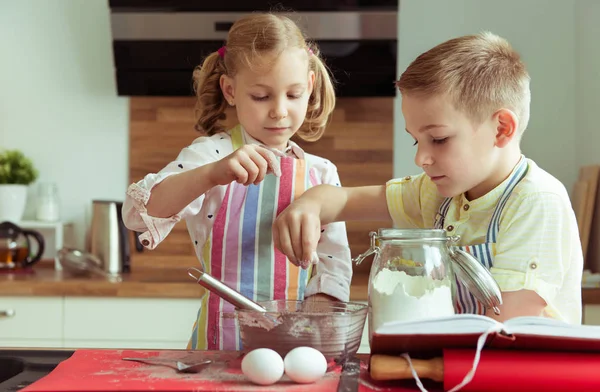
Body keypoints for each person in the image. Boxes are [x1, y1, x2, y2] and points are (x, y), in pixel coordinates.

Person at [273, 32, 583, 324]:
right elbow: (344, 200)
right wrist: (309, 206)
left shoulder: (536, 202)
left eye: (439, 139)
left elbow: (506, 324)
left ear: (501, 128)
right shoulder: (439, 194)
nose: (421, 158)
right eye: (416, 140)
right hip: (466, 361)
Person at [122, 13, 353, 350]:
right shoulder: (210, 156)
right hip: (218, 348)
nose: (279, 111)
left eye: (293, 94)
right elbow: (136, 214)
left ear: (311, 86)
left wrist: (314, 330)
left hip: (294, 347)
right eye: (261, 96)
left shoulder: (322, 173)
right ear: (230, 90)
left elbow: (334, 264)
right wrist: (213, 173)